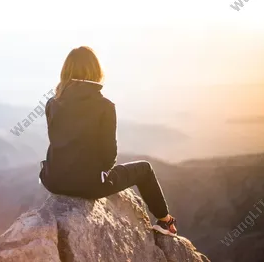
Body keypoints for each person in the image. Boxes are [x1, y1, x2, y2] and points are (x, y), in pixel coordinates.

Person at [39, 46, 177, 236]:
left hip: (52, 179)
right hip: (89, 185)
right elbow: (109, 156)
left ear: (66, 71)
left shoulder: (52, 103)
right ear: (96, 72)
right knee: (144, 169)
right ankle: (165, 221)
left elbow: (57, 140)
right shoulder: (105, 106)